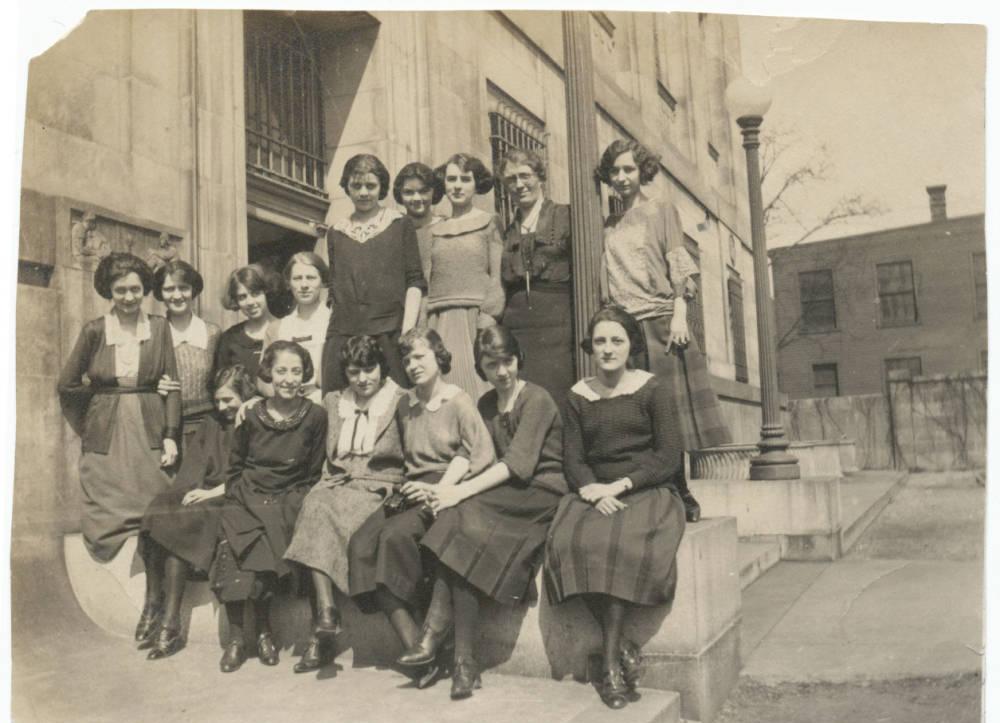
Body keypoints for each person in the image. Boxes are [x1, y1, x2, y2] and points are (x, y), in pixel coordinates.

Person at [397, 326, 568, 700]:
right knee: (460, 522)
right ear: (481, 368)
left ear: (519, 359)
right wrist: (445, 488)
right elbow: (471, 454)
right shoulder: (487, 404)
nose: (502, 371)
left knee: (463, 514)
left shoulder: (536, 399)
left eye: (508, 361)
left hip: (541, 491)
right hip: (506, 493)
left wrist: (458, 491)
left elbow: (519, 464)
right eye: (492, 364)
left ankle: (437, 634)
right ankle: (463, 662)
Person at [544, 305, 686, 710]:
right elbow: (573, 458)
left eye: (617, 340)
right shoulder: (578, 395)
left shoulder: (652, 388)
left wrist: (622, 485)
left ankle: (607, 663)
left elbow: (668, 456)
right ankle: (620, 647)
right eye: (601, 341)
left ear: (631, 345)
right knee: (569, 541)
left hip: (646, 488)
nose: (608, 349)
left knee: (622, 544)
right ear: (591, 347)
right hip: (594, 492)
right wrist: (591, 489)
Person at [348, 327, 494, 686]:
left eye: (420, 356)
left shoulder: (458, 401)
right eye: (407, 359)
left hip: (448, 489)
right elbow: (396, 457)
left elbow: (480, 453)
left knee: (396, 537)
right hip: (409, 490)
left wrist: (443, 488)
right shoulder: (404, 404)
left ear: (439, 357)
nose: (413, 365)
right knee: (360, 544)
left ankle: (426, 643)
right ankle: (418, 648)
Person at [597, 139, 732, 523]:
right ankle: (658, 492)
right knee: (640, 418)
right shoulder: (609, 224)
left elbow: (679, 266)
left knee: (668, 413)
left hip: (658, 322)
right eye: (615, 172)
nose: (621, 178)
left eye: (628, 170)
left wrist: (679, 314)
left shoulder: (661, 210)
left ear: (642, 171)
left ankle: (681, 491)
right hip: (625, 330)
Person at [284, 336, 407, 674]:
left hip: (377, 486)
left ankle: (321, 630)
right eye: (355, 372)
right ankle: (325, 616)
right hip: (336, 482)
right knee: (314, 504)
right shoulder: (334, 400)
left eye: (369, 370)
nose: (363, 379)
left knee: (321, 513)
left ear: (381, 368)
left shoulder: (399, 400)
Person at [57, 252, 180, 569]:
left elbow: (173, 385)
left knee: (157, 491)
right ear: (108, 291)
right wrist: (99, 399)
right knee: (106, 494)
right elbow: (67, 384)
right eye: (121, 290)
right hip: (107, 423)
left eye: (135, 290)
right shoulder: (95, 330)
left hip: (149, 420)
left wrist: (170, 435)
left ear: (145, 290)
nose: (129, 297)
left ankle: (155, 557)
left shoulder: (160, 327)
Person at [211, 341, 327, 673]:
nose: (288, 379)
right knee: (233, 545)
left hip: (287, 498)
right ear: (268, 374)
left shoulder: (315, 416)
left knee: (264, 541)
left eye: (295, 371)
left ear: (304, 374)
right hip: (247, 494)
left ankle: (263, 632)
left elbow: (314, 473)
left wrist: (290, 502)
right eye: (280, 371)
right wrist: (237, 496)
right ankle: (237, 638)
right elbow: (235, 467)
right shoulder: (251, 414)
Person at [137, 365, 257, 660]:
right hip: (205, 491)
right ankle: (153, 601)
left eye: (229, 400)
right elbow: (194, 468)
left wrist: (212, 492)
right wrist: (186, 493)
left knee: (185, 525)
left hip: (233, 497)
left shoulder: (255, 421)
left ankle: (170, 622)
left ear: (245, 394)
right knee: (160, 508)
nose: (222, 407)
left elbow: (254, 473)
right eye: (217, 400)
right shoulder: (212, 423)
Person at [323, 153, 426, 394]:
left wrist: (406, 332)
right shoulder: (336, 232)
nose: (363, 192)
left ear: (381, 187)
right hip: (344, 335)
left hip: (389, 334)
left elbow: (414, 282)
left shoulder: (400, 224)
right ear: (346, 187)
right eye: (356, 185)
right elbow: (335, 292)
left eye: (371, 186)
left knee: (396, 406)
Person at [498, 149, 575, 404]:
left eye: (525, 176)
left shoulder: (565, 216)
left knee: (557, 399)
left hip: (557, 328)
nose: (519, 185)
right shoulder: (507, 231)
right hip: (519, 329)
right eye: (511, 179)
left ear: (540, 178)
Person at [425, 153, 505, 399]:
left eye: (465, 179)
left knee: (478, 392)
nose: (457, 185)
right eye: (451, 179)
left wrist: (488, 317)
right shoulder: (434, 229)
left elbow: (496, 277)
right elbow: (427, 281)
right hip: (439, 322)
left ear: (476, 183)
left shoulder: (489, 222)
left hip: (475, 320)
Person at [151, 260, 221, 441]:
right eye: (169, 289)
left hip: (205, 425)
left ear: (193, 290)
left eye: (183, 288)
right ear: (160, 293)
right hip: (162, 424)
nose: (177, 295)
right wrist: (153, 386)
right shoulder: (152, 332)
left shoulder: (212, 332)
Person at [271, 252, 331, 402]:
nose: (304, 285)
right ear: (288, 283)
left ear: (323, 281)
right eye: (297, 278)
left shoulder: (334, 322)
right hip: (285, 404)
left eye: (311, 278)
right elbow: (264, 380)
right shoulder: (277, 327)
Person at [393, 162, 446, 327]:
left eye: (423, 191)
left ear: (433, 191)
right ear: (399, 195)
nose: (416, 199)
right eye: (409, 192)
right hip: (405, 315)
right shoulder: (393, 231)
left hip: (439, 311)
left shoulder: (446, 226)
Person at [213, 264, 280, 380]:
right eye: (242, 297)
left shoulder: (286, 328)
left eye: (255, 294)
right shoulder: (230, 339)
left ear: (266, 292)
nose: (250, 302)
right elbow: (222, 385)